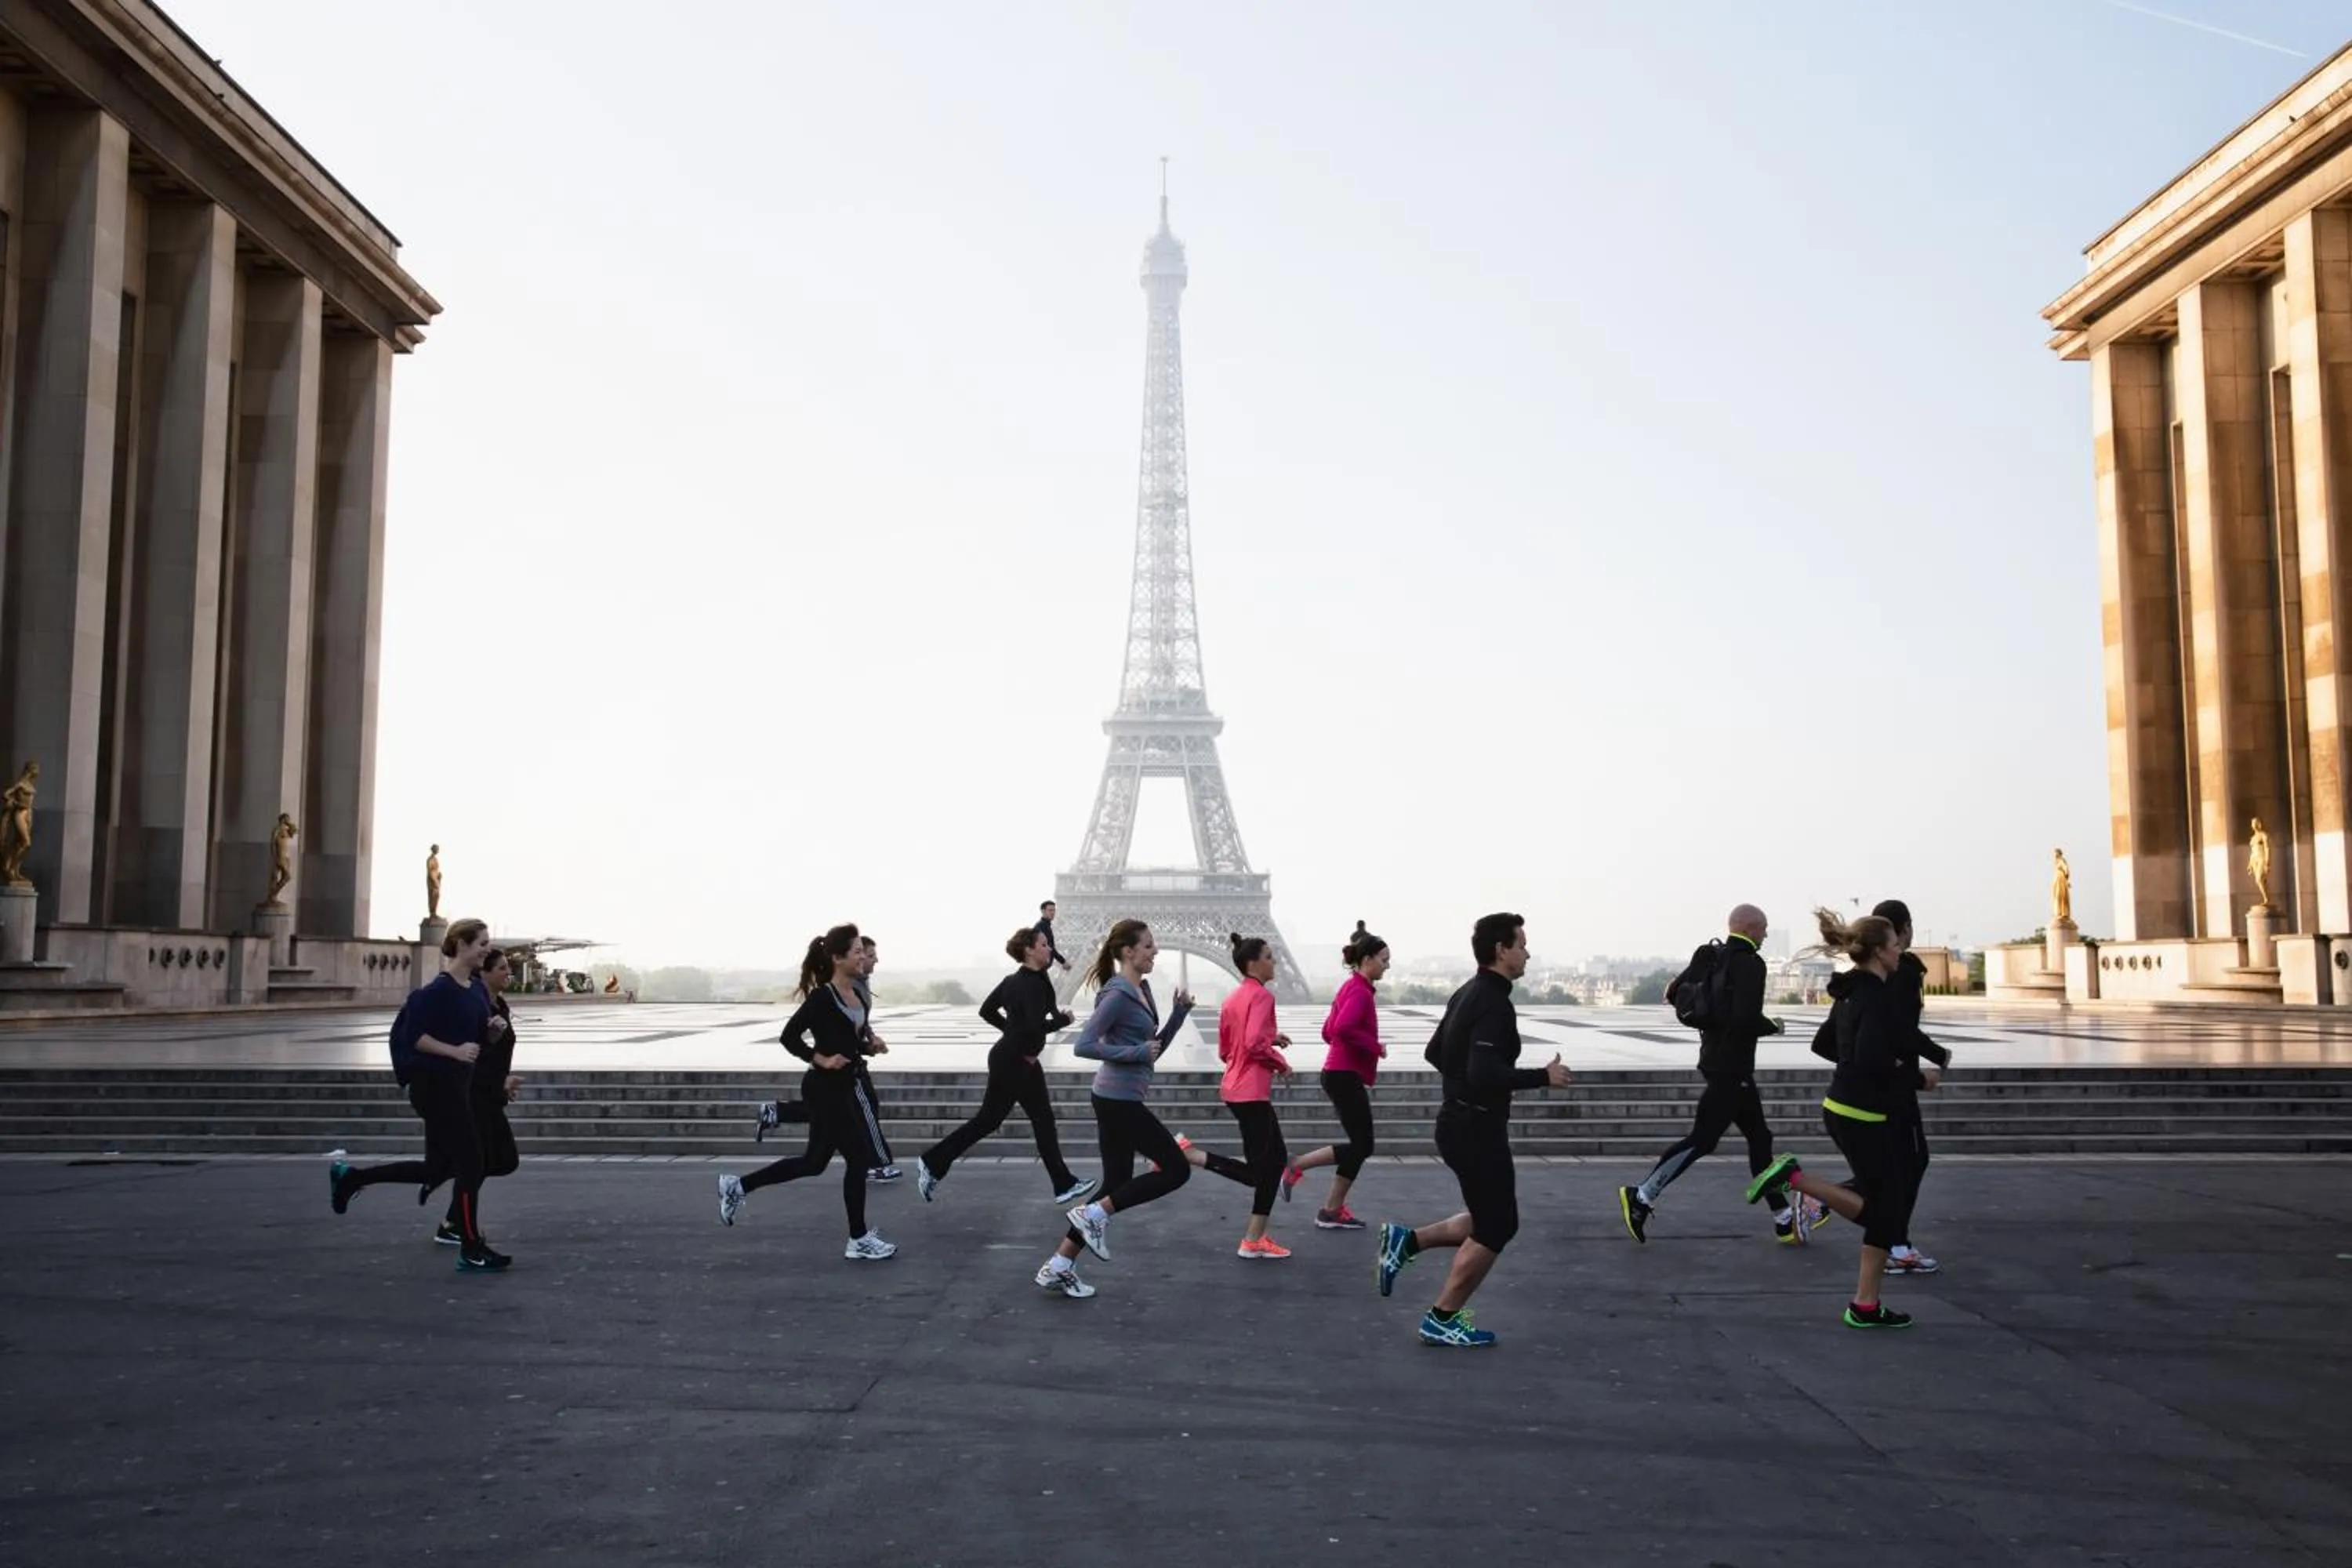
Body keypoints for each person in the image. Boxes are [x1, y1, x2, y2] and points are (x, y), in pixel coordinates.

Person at [1375, 913, 1570, 1347]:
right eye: (1522, 944)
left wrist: (1464, 1088)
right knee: (1498, 1226)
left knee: (1492, 1217)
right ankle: (1441, 1317)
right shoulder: (1493, 1002)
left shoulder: (1468, 991)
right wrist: (1542, 1077)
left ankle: (1407, 1243)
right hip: (1475, 1127)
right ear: (1502, 949)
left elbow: (1435, 1052)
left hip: (1461, 1121)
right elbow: (1484, 1072)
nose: (1528, 953)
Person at [1743, 907, 1940, 1330]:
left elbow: (1831, 1045)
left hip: (1851, 1106)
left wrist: (1872, 1064)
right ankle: (1793, 1180)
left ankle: (1866, 1305)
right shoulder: (1873, 995)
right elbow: (1871, 1060)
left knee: (1885, 1209)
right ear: (1879, 952)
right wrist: (1916, 1076)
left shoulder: (1855, 991)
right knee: (1884, 1211)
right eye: (1893, 945)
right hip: (1862, 1112)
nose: (1899, 950)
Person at [1036, 920, 1254, 1300]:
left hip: (1122, 1097)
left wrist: (1178, 1016)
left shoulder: (1143, 990)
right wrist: (1132, 1052)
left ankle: (1059, 1265)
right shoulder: (1117, 994)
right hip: (1115, 1099)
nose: (1155, 951)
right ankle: (1091, 1216)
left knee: (1115, 1185)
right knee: (1176, 1169)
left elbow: (1151, 1052)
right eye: (1149, 946)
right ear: (1127, 952)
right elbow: (1083, 1045)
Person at [1617, 904, 1809, 1245]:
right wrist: (1773, 1026)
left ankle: (1782, 1219)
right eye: (1763, 929)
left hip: (1717, 1060)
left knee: (1760, 1138)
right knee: (1703, 1140)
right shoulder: (1750, 963)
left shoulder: (1712, 954)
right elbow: (1745, 1018)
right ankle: (1642, 1195)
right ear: (1750, 928)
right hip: (1731, 1067)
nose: (1765, 935)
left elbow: (1672, 993)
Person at [329, 918, 509, 1272]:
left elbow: (476, 1039)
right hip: (434, 1087)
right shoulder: (435, 992)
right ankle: (470, 1246)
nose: (487, 948)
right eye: (482, 943)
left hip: (457, 1086)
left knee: (438, 1168)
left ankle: (352, 1178)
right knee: (472, 1163)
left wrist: (492, 1033)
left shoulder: (473, 990)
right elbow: (415, 1037)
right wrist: (454, 1051)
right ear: (461, 945)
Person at [717, 925, 896, 1261]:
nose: (863, 957)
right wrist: (821, 1059)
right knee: (858, 1159)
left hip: (845, 1085)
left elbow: (850, 1039)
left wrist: (870, 1046)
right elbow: (789, 1037)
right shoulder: (823, 998)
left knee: (814, 1163)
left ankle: (737, 1186)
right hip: (825, 1089)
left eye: (863, 951)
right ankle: (858, 1239)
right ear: (837, 958)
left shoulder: (856, 994)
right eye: (857, 951)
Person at [917, 927, 1095, 1205]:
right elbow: (1036, 1027)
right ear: (1029, 950)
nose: (1050, 949)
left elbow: (987, 1011)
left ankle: (1063, 1184)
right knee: (1003, 1120)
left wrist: (1011, 1033)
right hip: (1013, 1061)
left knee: (1021, 1120)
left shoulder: (1022, 980)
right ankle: (932, 1161)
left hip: (1016, 1058)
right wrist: (1064, 1022)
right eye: (1044, 944)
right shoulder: (1032, 984)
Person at [1280, 922, 1388, 1230]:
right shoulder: (1361, 993)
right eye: (1383, 959)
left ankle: (1331, 1210)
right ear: (1367, 959)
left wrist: (1351, 1047)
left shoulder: (1350, 987)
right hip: (1343, 1074)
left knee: (1361, 1144)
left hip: (1337, 1072)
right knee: (1363, 1145)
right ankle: (1296, 1165)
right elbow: (1340, 1030)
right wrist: (1374, 1046)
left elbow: (1328, 1031)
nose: (1387, 965)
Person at [1867, 898, 1947, 1274]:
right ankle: (1896, 1244)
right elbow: (1903, 1029)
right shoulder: (1904, 972)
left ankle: (1826, 1201)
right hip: (1895, 1085)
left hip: (1877, 1084)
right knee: (1910, 1162)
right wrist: (1933, 1057)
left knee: (1896, 1164)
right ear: (1903, 930)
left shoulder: (1861, 978)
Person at [433, 947, 524, 1244]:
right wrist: (500, 1081)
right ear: (483, 973)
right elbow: (472, 1058)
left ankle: (454, 1217)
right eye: (502, 968)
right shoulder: (476, 1008)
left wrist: (502, 1083)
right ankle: (455, 1223)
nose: (508, 973)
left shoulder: (501, 1006)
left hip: (489, 1094)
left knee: (498, 1161)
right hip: (473, 1095)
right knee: (483, 1161)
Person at [1218, 932, 1297, 1258]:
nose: (1274, 961)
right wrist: (1280, 1063)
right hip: (1251, 1092)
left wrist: (1270, 1037)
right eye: (1268, 956)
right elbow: (1251, 1044)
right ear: (1253, 963)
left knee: (1272, 1162)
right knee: (1264, 1168)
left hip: (1234, 1087)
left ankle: (1255, 1237)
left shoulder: (1233, 997)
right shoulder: (1263, 997)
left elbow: (1228, 1049)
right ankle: (1191, 1155)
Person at [855, 935, 902, 1182]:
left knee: (815, 1158)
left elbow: (861, 1022)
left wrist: (871, 1038)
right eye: (869, 955)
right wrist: (866, 1046)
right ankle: (878, 1164)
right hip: (844, 1063)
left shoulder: (861, 984)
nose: (874, 960)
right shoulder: (847, 986)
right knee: (868, 1107)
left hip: (850, 1059)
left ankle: (777, 1112)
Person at [1035, 899, 1072, 971]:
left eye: (1054, 910)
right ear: (1043, 911)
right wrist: (1063, 962)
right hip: (1041, 967)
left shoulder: (1044, 925)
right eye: (1050, 910)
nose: (1053, 913)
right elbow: (1050, 947)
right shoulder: (1043, 926)